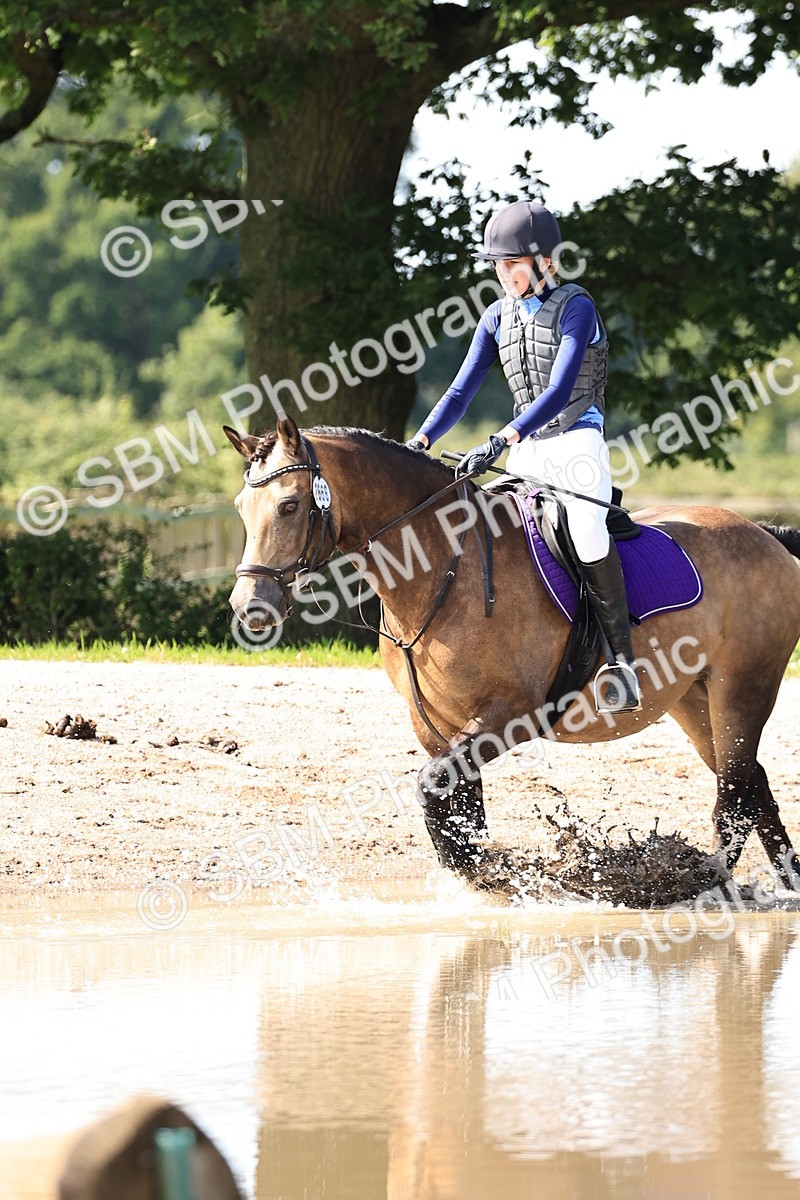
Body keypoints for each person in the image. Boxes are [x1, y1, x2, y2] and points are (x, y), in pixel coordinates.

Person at [406, 199, 640, 714]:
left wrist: (502, 437)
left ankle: (624, 663)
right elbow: (458, 394)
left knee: (585, 530)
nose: (503, 272)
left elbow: (559, 390)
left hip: (578, 443)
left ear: (545, 262)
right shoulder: (495, 317)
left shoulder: (577, 307)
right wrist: (420, 442)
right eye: (498, 263)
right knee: (486, 528)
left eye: (512, 262)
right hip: (528, 452)